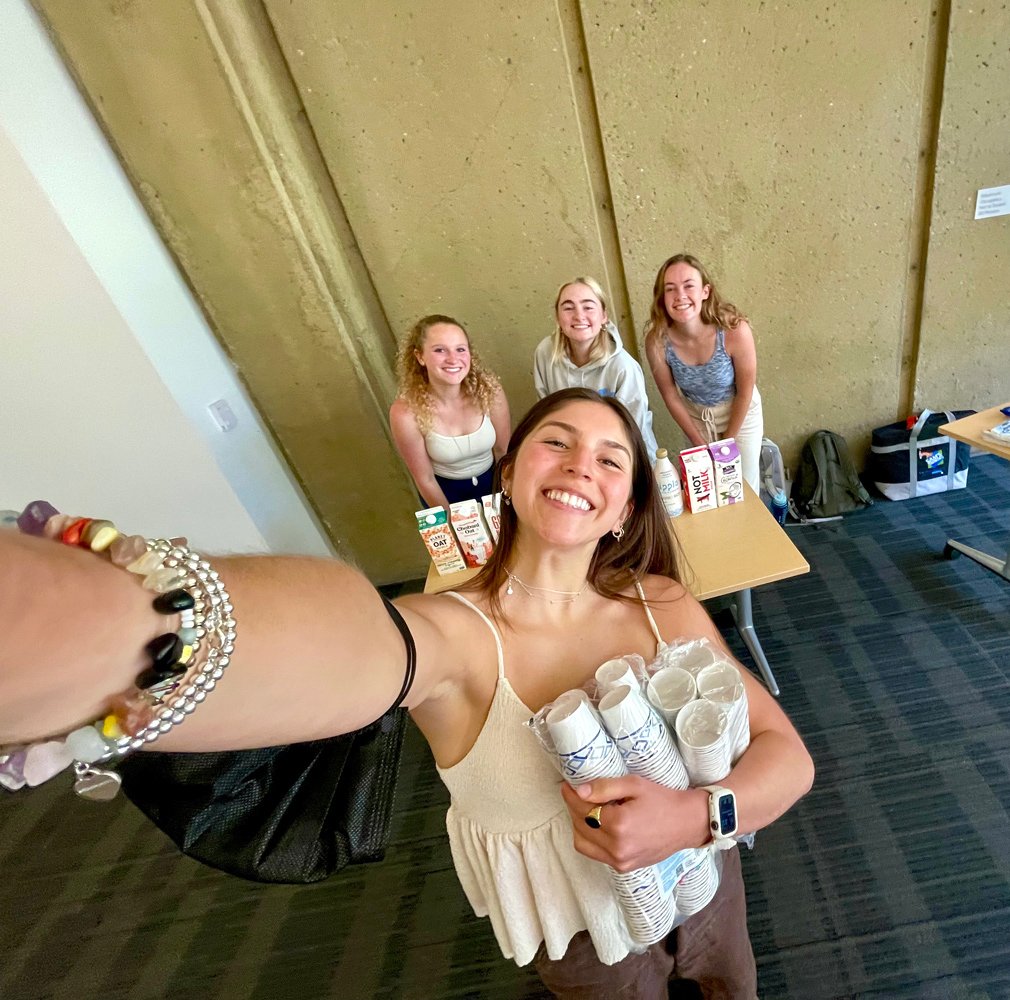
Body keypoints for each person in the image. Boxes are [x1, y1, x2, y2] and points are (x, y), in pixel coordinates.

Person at [1, 389, 813, 999]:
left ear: (627, 506)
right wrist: (126, 629)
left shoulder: (659, 603)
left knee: (732, 985)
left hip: (706, 881)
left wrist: (698, 816)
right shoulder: (453, 636)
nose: (579, 466)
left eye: (610, 458)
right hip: (581, 931)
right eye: (555, 443)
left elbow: (789, 761)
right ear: (508, 470)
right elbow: (355, 640)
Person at [644, 255, 764, 492]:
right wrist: (700, 443)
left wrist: (726, 444)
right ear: (662, 298)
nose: (680, 295)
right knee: (706, 489)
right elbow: (670, 395)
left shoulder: (733, 330)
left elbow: (746, 390)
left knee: (742, 486)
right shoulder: (657, 341)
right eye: (670, 289)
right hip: (696, 417)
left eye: (689, 286)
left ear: (705, 292)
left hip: (740, 411)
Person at [389, 314, 511, 509]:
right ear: (420, 356)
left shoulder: (489, 391)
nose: (453, 359)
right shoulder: (405, 412)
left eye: (460, 349)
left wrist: (505, 502)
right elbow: (425, 479)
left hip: (495, 484)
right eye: (440, 350)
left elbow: (503, 452)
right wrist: (453, 523)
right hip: (444, 495)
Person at [534, 277, 660, 461]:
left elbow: (632, 434)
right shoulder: (545, 354)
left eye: (588, 307)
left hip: (625, 457)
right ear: (557, 317)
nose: (579, 316)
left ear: (603, 316)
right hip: (569, 458)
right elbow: (544, 418)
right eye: (568, 308)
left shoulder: (623, 367)